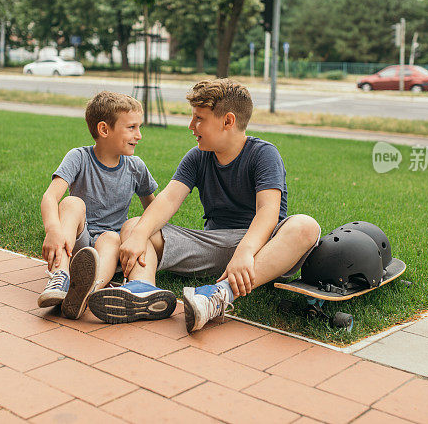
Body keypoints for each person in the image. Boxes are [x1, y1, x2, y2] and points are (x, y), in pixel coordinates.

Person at [90, 79, 321, 332]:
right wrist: (139, 235)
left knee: (305, 226)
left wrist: (244, 252)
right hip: (214, 246)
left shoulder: (264, 154)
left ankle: (218, 295)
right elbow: (168, 199)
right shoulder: (198, 156)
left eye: (199, 119)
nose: (191, 126)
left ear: (228, 121)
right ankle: (143, 291)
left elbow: (268, 211)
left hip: (261, 250)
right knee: (136, 225)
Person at [37, 91, 175, 322]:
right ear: (104, 130)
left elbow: (154, 208)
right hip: (76, 247)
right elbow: (50, 197)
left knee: (111, 238)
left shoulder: (135, 167)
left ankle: (87, 292)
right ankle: (61, 277)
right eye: (131, 127)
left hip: (109, 250)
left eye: (139, 127)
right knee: (72, 203)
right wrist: (52, 229)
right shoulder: (78, 157)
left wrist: (147, 238)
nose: (139, 135)